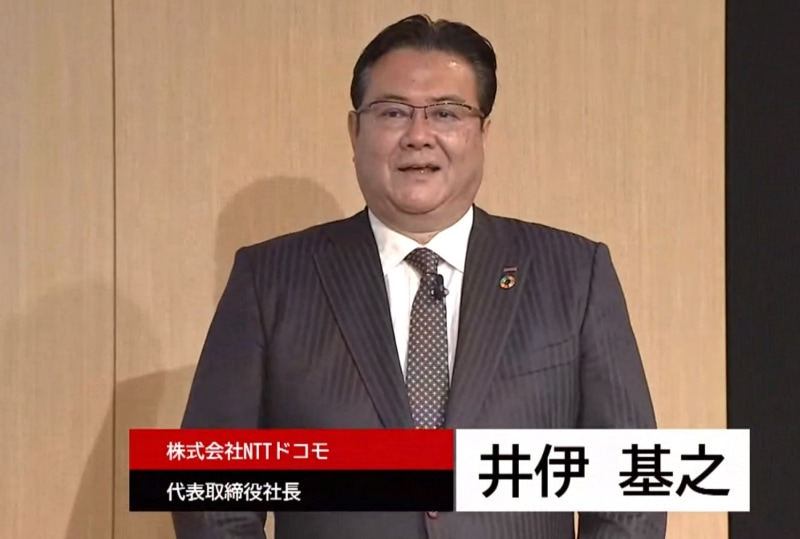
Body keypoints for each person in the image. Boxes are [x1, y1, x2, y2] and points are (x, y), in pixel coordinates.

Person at [173, 13, 666, 539]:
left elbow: (630, 490)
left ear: (483, 132)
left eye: (447, 113)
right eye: (393, 112)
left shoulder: (573, 274)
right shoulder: (270, 280)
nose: (419, 136)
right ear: (354, 130)